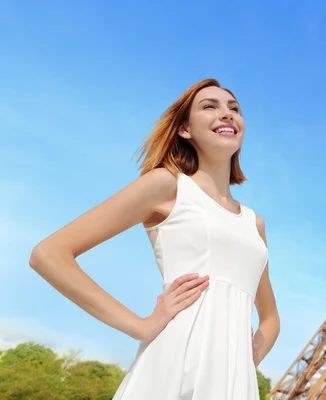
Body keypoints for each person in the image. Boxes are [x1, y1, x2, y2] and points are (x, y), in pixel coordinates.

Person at [29, 78, 281, 399]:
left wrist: (250, 356)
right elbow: (49, 254)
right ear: (185, 130)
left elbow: (270, 317)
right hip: (173, 363)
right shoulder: (168, 186)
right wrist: (141, 326)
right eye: (209, 107)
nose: (227, 113)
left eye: (234, 108)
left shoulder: (253, 222)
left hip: (232, 379)